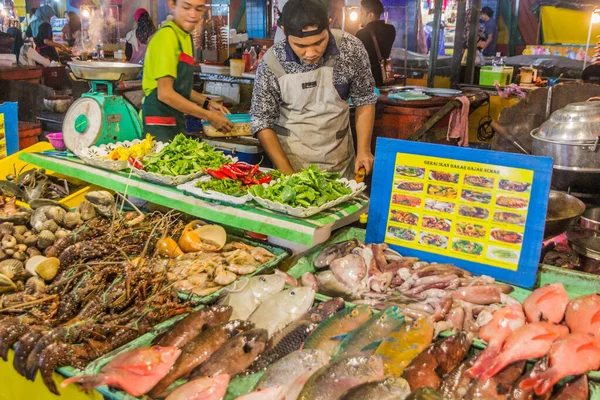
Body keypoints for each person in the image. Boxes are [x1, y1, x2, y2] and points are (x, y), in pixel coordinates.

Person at [251, 0, 377, 179]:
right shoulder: (272, 62)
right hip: (291, 164)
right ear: (285, 32)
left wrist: (364, 150)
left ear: (329, 24)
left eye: (319, 42)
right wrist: (288, 176)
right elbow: (261, 120)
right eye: (300, 46)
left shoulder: (350, 49)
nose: (311, 53)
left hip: (339, 164)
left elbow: (364, 99)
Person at [142, 0, 232, 142]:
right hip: (158, 122)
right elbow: (165, 93)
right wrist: (209, 116)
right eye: (186, 7)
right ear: (172, 5)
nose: (193, 14)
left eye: (198, 9)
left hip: (175, 120)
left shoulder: (185, 36)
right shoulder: (166, 37)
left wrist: (207, 103)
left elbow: (179, 87)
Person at [356, 0, 395, 87]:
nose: (359, 16)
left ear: (371, 15)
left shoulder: (362, 34)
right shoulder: (391, 30)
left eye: (361, 13)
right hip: (384, 79)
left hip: (367, 82)